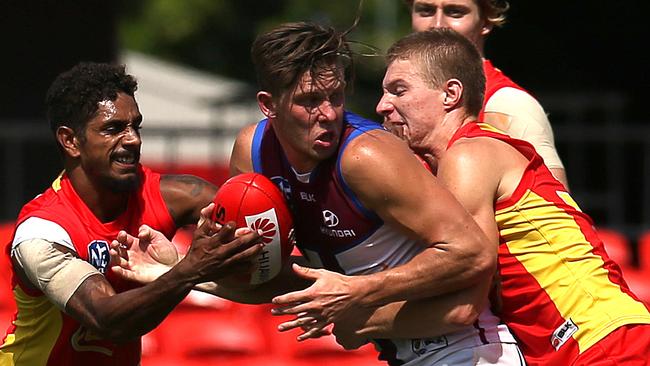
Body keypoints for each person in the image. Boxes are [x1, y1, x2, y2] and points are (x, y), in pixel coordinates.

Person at [110, 22, 526, 365]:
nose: (328, 114)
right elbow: (268, 280)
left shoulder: (365, 156)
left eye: (336, 97)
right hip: (402, 354)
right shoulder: (253, 155)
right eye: (310, 101)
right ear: (267, 105)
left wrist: (357, 293)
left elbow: (471, 252)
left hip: (469, 352)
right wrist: (181, 272)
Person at [337, 28, 650, 365]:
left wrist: (361, 313)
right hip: (589, 344)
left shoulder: (468, 155)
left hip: (602, 342)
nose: (382, 106)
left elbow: (462, 302)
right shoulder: (466, 156)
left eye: (399, 91)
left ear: (450, 94)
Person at [0, 62, 263, 366]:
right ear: (70, 141)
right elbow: (107, 319)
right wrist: (191, 269)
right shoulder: (41, 233)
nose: (133, 139)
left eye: (135, 126)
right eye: (113, 129)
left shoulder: (172, 196)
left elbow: (253, 224)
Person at [403, 0, 569, 189]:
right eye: (425, 11)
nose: (437, 24)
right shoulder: (399, 100)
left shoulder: (509, 105)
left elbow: (556, 208)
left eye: (455, 12)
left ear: (486, 22)